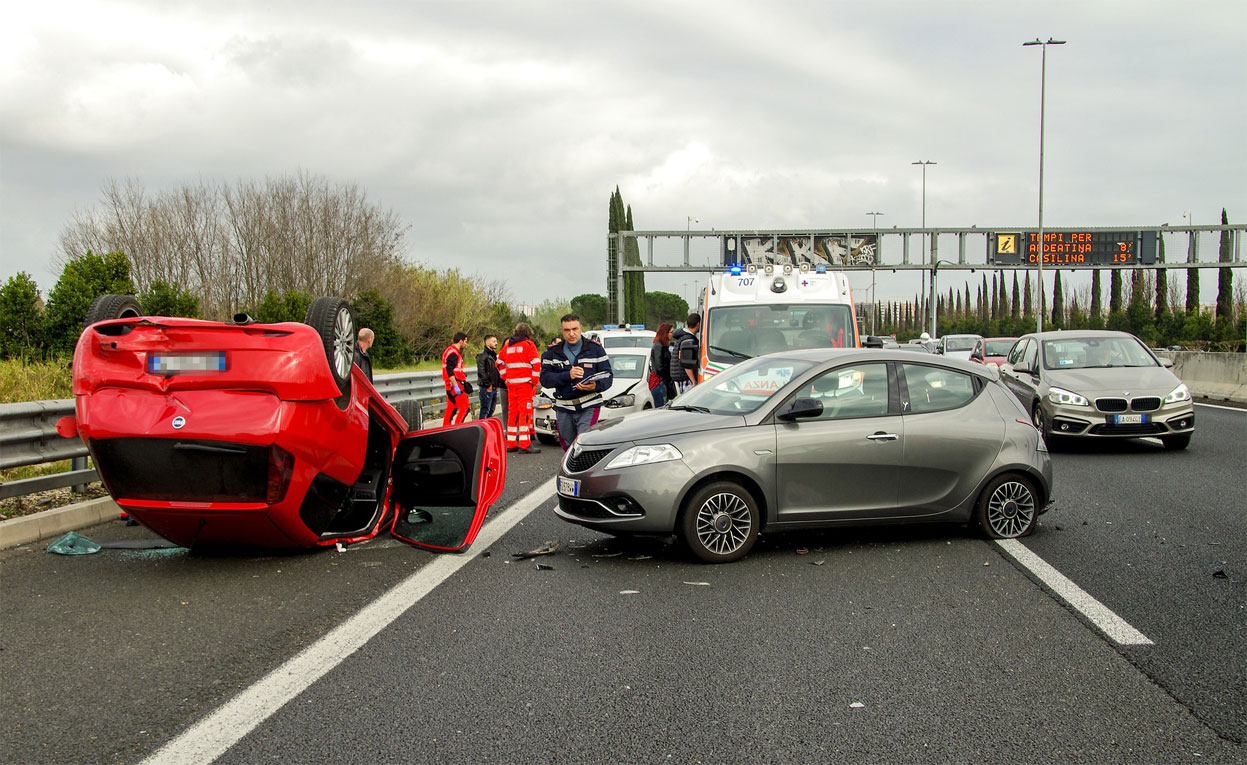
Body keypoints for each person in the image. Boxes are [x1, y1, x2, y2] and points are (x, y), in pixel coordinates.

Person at [540, 313, 613, 450]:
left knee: (585, 443)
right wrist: (568, 375)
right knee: (569, 447)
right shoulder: (552, 353)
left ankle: (587, 464)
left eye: (575, 329)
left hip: (589, 405)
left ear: (581, 328)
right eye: (567, 330)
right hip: (564, 406)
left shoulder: (595, 349)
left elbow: (608, 376)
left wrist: (595, 386)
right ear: (562, 331)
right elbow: (545, 379)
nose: (571, 333)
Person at [499, 322, 542, 453]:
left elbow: (499, 363)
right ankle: (525, 444)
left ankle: (511, 443)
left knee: (512, 414)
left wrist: (506, 377)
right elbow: (536, 364)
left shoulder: (508, 346)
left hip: (511, 386)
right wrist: (534, 381)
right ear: (528, 333)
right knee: (525, 414)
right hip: (525, 386)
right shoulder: (528, 345)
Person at [441, 331, 472, 427]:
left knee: (451, 408)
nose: (466, 344)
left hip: (449, 384)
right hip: (455, 384)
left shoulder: (449, 350)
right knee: (465, 407)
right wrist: (455, 385)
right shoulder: (454, 353)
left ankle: (446, 428)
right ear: (460, 341)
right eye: (465, 341)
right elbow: (449, 370)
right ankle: (458, 428)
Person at [670, 313, 701, 394]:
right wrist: (694, 381)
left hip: (680, 376)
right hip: (685, 378)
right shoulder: (688, 340)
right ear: (698, 324)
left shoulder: (682, 337)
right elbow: (687, 364)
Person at [475, 333, 503, 419]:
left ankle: (487, 426)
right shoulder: (482, 356)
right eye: (493, 341)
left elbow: (496, 370)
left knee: (491, 410)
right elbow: (481, 372)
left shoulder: (494, 355)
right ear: (487, 343)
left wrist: (497, 384)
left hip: (494, 387)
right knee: (485, 410)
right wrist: (488, 385)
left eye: (496, 341)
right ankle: (481, 426)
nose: (496, 343)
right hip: (486, 387)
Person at [648, 323, 675, 407]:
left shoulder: (663, 346)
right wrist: (668, 377)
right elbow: (660, 367)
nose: (672, 334)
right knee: (661, 407)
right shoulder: (658, 346)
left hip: (662, 381)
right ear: (665, 333)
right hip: (659, 381)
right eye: (671, 332)